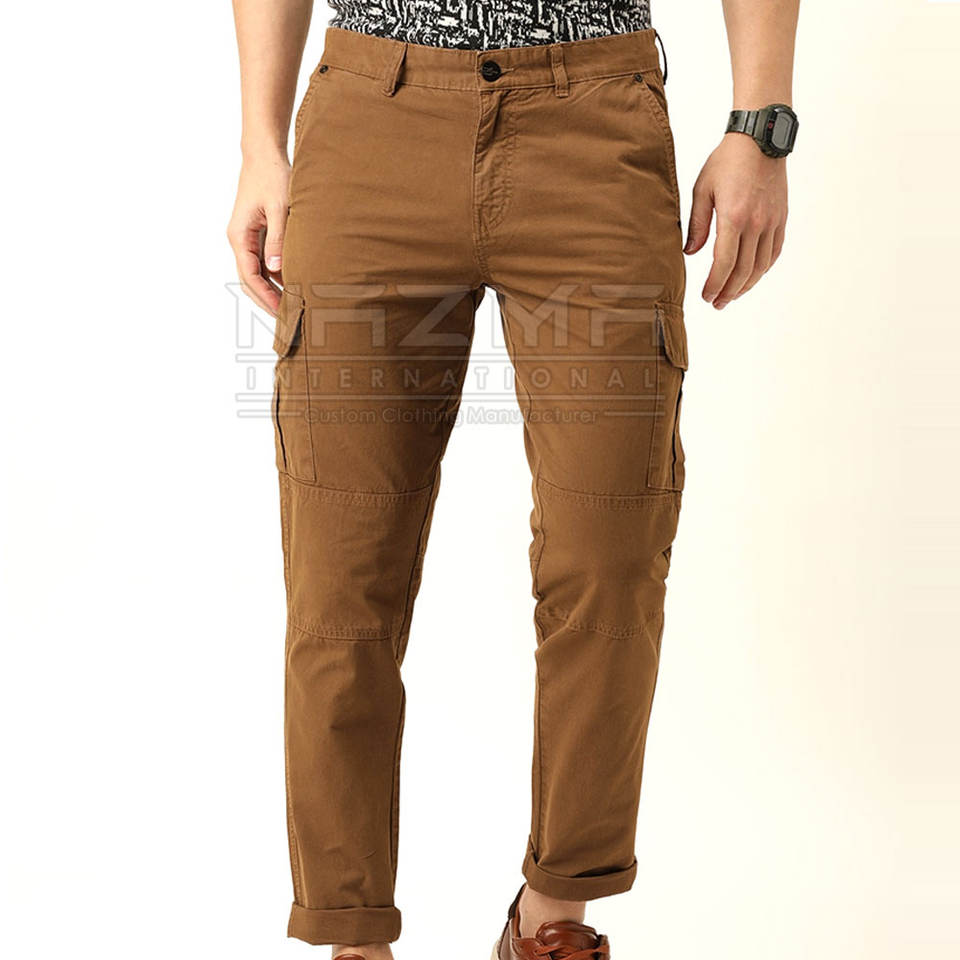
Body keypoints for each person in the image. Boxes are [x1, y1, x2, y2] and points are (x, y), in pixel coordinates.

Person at [227, 1, 799, 957]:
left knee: (610, 552)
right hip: (371, 123)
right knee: (340, 574)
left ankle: (552, 915)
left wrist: (760, 125)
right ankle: (352, 934)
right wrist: (259, 139)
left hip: (594, 124)